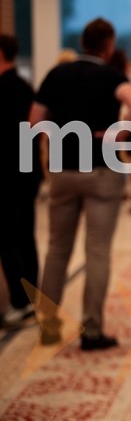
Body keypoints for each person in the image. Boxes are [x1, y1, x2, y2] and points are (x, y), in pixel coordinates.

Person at [29, 18, 131, 350]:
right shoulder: (111, 76)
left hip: (63, 171)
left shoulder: (56, 74)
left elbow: (34, 122)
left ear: (82, 41)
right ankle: (92, 330)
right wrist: (119, 133)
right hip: (102, 171)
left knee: (56, 248)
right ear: (108, 45)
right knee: (97, 251)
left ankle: (47, 323)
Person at [0, 34, 42, 327]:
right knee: (25, 234)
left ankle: (20, 299)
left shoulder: (3, 88)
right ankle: (29, 295)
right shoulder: (25, 87)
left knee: (7, 236)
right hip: (27, 171)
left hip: (6, 173)